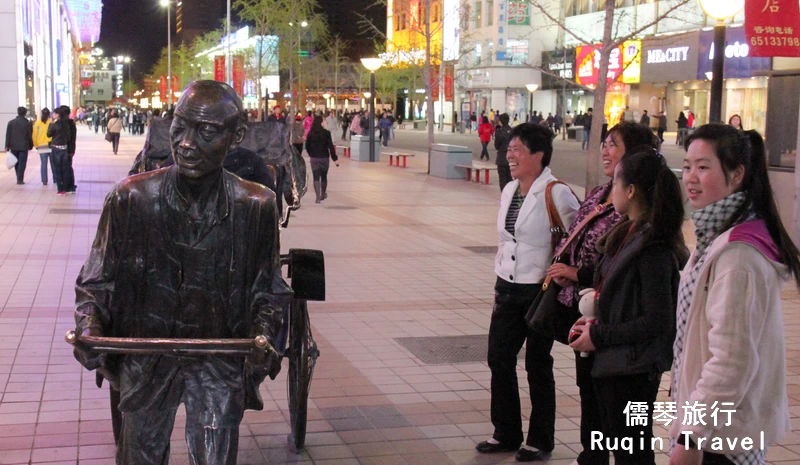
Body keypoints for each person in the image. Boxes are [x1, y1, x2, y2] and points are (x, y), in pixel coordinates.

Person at [72, 81, 290, 465]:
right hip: (147, 354)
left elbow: (267, 288)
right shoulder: (130, 199)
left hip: (218, 355)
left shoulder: (256, 205)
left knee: (215, 457)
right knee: (139, 454)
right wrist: (90, 325)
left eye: (206, 131)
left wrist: (264, 332)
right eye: (179, 126)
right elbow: (96, 280)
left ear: (236, 136)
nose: (186, 143)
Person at [669, 124, 798, 465]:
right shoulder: (716, 235)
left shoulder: (738, 254)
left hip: (722, 438)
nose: (691, 177)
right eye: (687, 166)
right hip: (714, 426)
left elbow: (732, 361)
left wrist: (690, 435)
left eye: (703, 167)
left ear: (737, 174)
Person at [569, 147, 687, 465]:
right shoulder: (628, 233)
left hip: (634, 371)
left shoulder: (653, 247)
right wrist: (593, 323)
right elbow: (624, 300)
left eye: (616, 183)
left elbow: (658, 320)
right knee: (625, 450)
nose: (612, 190)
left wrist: (600, 336)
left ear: (631, 190)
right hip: (617, 364)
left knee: (632, 453)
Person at [477, 123, 579, 462]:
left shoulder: (556, 192)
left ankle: (540, 440)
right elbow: (508, 239)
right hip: (507, 285)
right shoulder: (509, 190)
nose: (510, 155)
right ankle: (505, 432)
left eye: (518, 149)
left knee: (537, 364)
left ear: (539, 155)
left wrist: (569, 273)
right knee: (499, 357)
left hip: (540, 289)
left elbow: (577, 240)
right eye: (509, 149)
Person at [305, 115, 339, 203]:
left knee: (316, 177)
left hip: (314, 158)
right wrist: (334, 158)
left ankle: (317, 197)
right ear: (320, 123)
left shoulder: (310, 133)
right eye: (323, 121)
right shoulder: (326, 133)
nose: (324, 123)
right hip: (324, 158)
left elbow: (307, 146)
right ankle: (323, 194)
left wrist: (311, 154)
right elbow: (331, 147)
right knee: (324, 176)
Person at [5, 106, 33, 185]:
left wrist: (7, 145)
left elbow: (8, 134)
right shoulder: (27, 123)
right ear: (25, 113)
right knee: (22, 162)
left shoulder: (11, 122)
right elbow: (29, 135)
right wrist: (31, 145)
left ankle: (18, 176)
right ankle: (20, 178)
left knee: (16, 162)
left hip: (13, 146)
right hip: (24, 146)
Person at [47, 107, 72, 195]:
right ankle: (65, 188)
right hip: (64, 148)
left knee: (57, 169)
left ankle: (60, 189)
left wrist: (50, 124)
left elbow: (48, 134)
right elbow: (68, 137)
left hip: (56, 148)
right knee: (64, 169)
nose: (53, 115)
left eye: (54, 113)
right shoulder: (66, 125)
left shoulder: (54, 124)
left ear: (57, 114)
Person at [33, 108, 55, 186]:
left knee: (43, 163)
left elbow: (34, 135)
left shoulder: (37, 123)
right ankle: (55, 179)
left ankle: (44, 180)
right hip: (51, 145)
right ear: (49, 114)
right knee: (53, 163)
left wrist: (36, 145)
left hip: (41, 145)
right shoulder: (52, 122)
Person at [494, 113, 513, 192]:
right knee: (510, 179)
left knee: (502, 179)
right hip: (512, 158)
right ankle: (511, 196)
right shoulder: (513, 131)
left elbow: (497, 146)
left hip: (502, 158)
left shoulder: (499, 132)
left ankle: (505, 197)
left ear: (500, 121)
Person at [62, 105, 78, 194]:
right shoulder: (71, 123)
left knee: (66, 167)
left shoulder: (67, 124)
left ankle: (69, 186)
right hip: (70, 149)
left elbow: (71, 138)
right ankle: (69, 185)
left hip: (66, 149)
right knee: (68, 167)